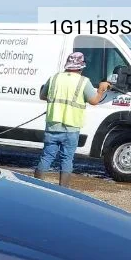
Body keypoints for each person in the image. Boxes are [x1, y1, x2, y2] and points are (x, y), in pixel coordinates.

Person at [35, 52, 110, 187]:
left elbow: (42, 95)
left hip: (53, 125)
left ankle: (36, 185)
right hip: (72, 127)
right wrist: (101, 90)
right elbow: (94, 101)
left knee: (47, 156)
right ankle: (64, 189)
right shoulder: (83, 82)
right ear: (81, 67)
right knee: (67, 159)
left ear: (67, 65)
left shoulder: (54, 78)